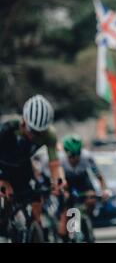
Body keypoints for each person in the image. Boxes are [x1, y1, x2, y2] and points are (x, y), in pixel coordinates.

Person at [0, 95, 65, 227]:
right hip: (2, 166)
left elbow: (54, 164)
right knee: (6, 194)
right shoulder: (8, 128)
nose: (34, 136)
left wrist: (57, 182)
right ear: (24, 121)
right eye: (32, 130)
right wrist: (3, 180)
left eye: (40, 133)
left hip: (23, 166)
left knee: (37, 200)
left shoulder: (50, 135)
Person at [58, 134, 109, 240]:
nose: (75, 159)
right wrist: (64, 191)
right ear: (66, 154)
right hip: (68, 182)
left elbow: (99, 176)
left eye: (78, 155)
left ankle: (86, 220)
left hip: (83, 182)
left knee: (91, 198)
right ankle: (66, 235)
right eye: (72, 156)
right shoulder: (61, 159)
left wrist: (104, 190)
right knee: (65, 208)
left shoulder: (87, 157)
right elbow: (61, 178)